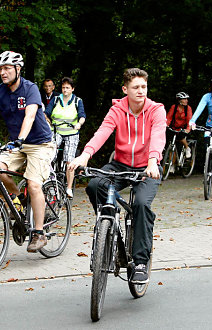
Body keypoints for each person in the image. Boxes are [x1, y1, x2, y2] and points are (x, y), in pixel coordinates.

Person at [68, 68, 166, 284]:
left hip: (146, 168)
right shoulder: (117, 109)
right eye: (136, 87)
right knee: (94, 185)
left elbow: (159, 135)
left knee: (141, 204)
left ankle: (140, 262)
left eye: (144, 87)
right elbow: (103, 132)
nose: (141, 91)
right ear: (125, 89)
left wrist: (152, 160)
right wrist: (85, 155)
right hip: (120, 164)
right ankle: (108, 227)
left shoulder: (156, 110)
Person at [0, 51, 55, 252]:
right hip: (17, 144)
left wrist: (20, 139)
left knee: (33, 184)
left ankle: (39, 233)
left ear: (17, 69)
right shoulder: (0, 91)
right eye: (0, 69)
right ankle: (18, 198)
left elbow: (30, 117)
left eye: (7, 68)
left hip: (39, 143)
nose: (3, 73)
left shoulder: (29, 88)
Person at [45, 77, 86, 198]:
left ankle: (69, 188)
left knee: (69, 160)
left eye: (67, 88)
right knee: (49, 156)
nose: (65, 90)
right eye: (63, 88)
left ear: (72, 89)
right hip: (56, 131)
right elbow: (46, 113)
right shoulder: (56, 99)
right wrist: (48, 122)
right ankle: (50, 183)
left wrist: (79, 124)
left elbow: (82, 115)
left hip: (72, 132)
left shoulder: (77, 101)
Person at [166, 92, 193, 158]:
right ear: (179, 100)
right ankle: (171, 164)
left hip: (183, 128)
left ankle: (187, 148)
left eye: (187, 99)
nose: (186, 101)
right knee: (170, 144)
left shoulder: (188, 108)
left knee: (180, 136)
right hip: (174, 127)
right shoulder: (174, 107)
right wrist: (165, 124)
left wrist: (188, 129)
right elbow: (169, 117)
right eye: (184, 99)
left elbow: (190, 120)